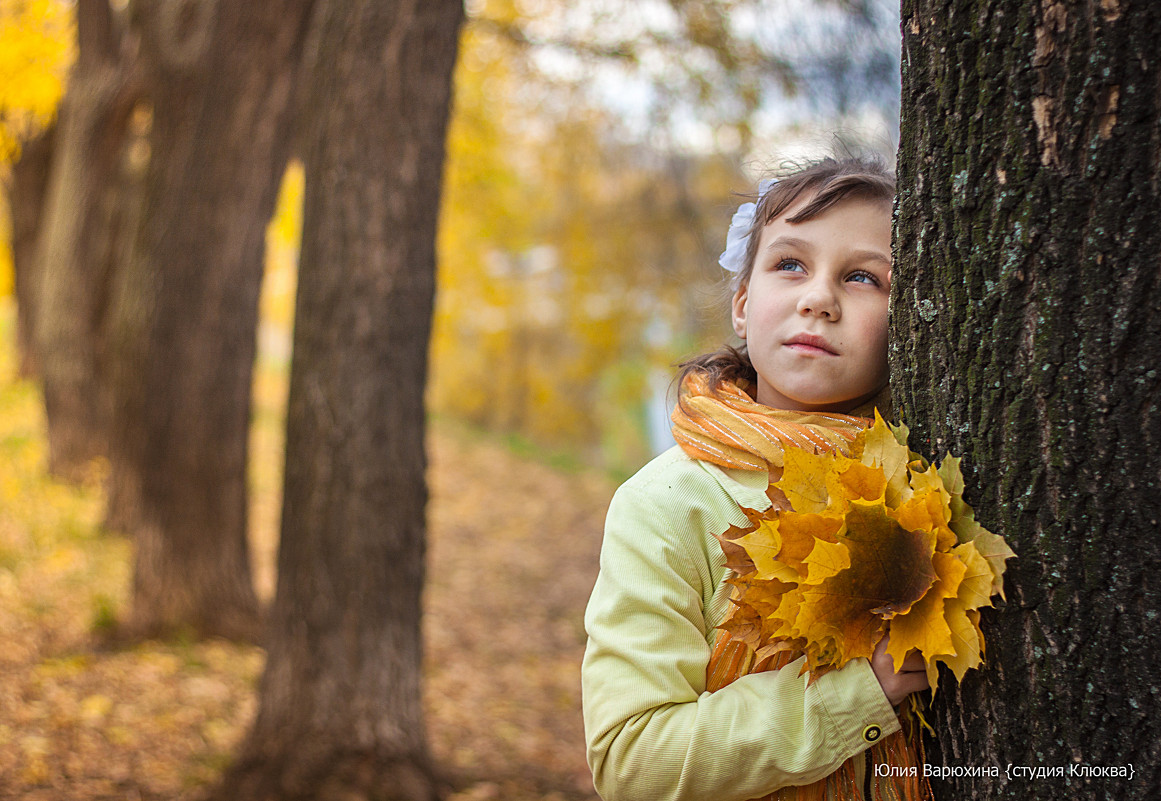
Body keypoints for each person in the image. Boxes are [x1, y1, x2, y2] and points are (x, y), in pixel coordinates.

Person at [582, 157, 932, 801]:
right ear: (743, 306)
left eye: (862, 278)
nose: (818, 298)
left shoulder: (930, 490)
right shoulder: (667, 504)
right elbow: (628, 761)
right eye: (790, 264)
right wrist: (856, 696)